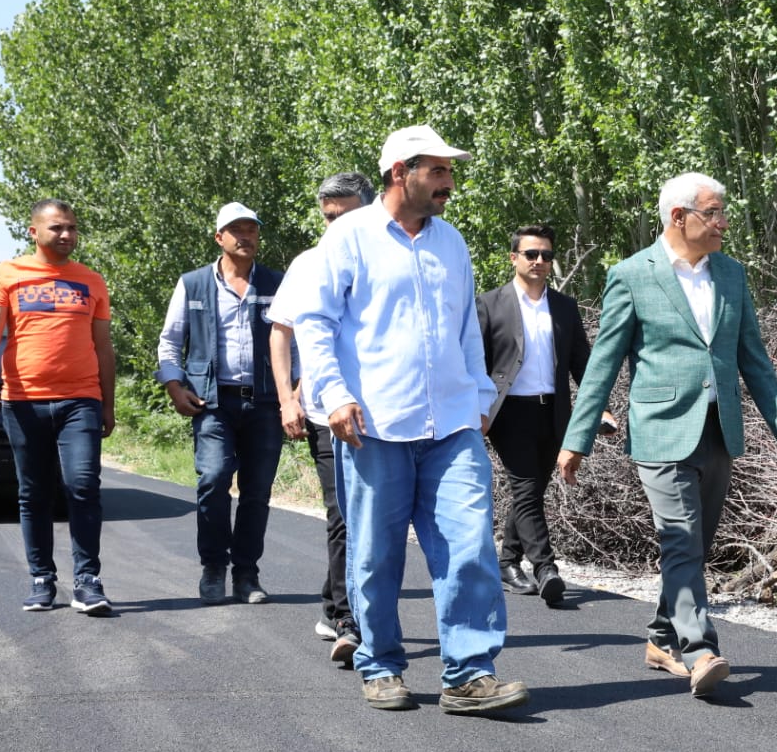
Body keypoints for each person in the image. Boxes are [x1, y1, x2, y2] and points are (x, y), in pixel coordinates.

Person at [289, 125, 529, 714]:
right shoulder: (348, 237)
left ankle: (469, 674)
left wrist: (478, 400)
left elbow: (468, 328)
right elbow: (314, 324)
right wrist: (335, 394)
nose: (449, 182)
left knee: (470, 544)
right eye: (439, 171)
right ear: (402, 172)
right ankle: (381, 665)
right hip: (373, 425)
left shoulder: (452, 243)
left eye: (450, 171)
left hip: (452, 423)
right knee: (375, 552)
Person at [557, 172, 777, 697]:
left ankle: (660, 638)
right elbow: (602, 364)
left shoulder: (732, 275)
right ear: (679, 217)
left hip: (719, 431)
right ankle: (700, 649)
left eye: (721, 213)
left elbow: (753, 359)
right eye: (713, 213)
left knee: (695, 544)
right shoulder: (631, 275)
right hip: (660, 430)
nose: (723, 222)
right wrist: (577, 438)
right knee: (680, 538)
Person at [0, 199, 116, 614]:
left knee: (82, 485)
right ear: (33, 231)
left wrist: (107, 404)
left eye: (72, 228)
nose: (67, 235)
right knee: (33, 492)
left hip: (80, 399)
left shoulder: (91, 281)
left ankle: (88, 581)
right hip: (23, 400)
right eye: (57, 228)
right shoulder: (8, 274)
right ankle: (42, 580)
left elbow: (103, 348)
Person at [267, 172, 375, 666]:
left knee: (374, 516)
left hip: (387, 411)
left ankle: (334, 603)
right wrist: (288, 400)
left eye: (345, 215)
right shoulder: (308, 263)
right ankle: (349, 619)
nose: (335, 225)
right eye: (328, 217)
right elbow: (281, 333)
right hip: (326, 411)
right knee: (344, 512)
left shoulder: (391, 255)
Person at [155, 202, 285, 605]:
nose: (246, 236)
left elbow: (294, 340)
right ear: (219, 237)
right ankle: (213, 568)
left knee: (257, 490)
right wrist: (174, 386)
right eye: (237, 230)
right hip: (211, 402)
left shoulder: (277, 283)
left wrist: (292, 393)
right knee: (213, 479)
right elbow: (169, 343)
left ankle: (246, 574)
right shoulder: (193, 284)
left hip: (265, 403)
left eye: (252, 230)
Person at [477, 224, 614, 605]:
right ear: (514, 258)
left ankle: (507, 561)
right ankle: (545, 568)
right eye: (531, 254)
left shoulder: (565, 307)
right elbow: (476, 363)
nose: (539, 261)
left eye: (546, 256)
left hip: (554, 413)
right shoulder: (489, 304)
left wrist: (599, 407)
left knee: (533, 490)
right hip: (508, 414)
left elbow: (581, 364)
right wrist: (476, 408)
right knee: (525, 487)